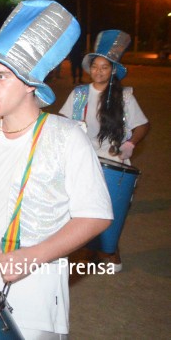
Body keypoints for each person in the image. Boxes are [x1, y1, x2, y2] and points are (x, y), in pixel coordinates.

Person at [0, 0, 113, 339]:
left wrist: (32, 257)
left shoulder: (66, 137)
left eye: (2, 77)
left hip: (35, 298)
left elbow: (96, 216)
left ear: (30, 85)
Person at [58, 30, 149, 272]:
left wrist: (131, 144)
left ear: (112, 71)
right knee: (78, 209)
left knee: (110, 210)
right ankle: (85, 249)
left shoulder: (124, 97)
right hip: (84, 161)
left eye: (105, 67)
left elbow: (142, 125)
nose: (98, 71)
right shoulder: (78, 94)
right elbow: (62, 122)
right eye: (95, 66)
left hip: (113, 161)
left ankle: (110, 250)